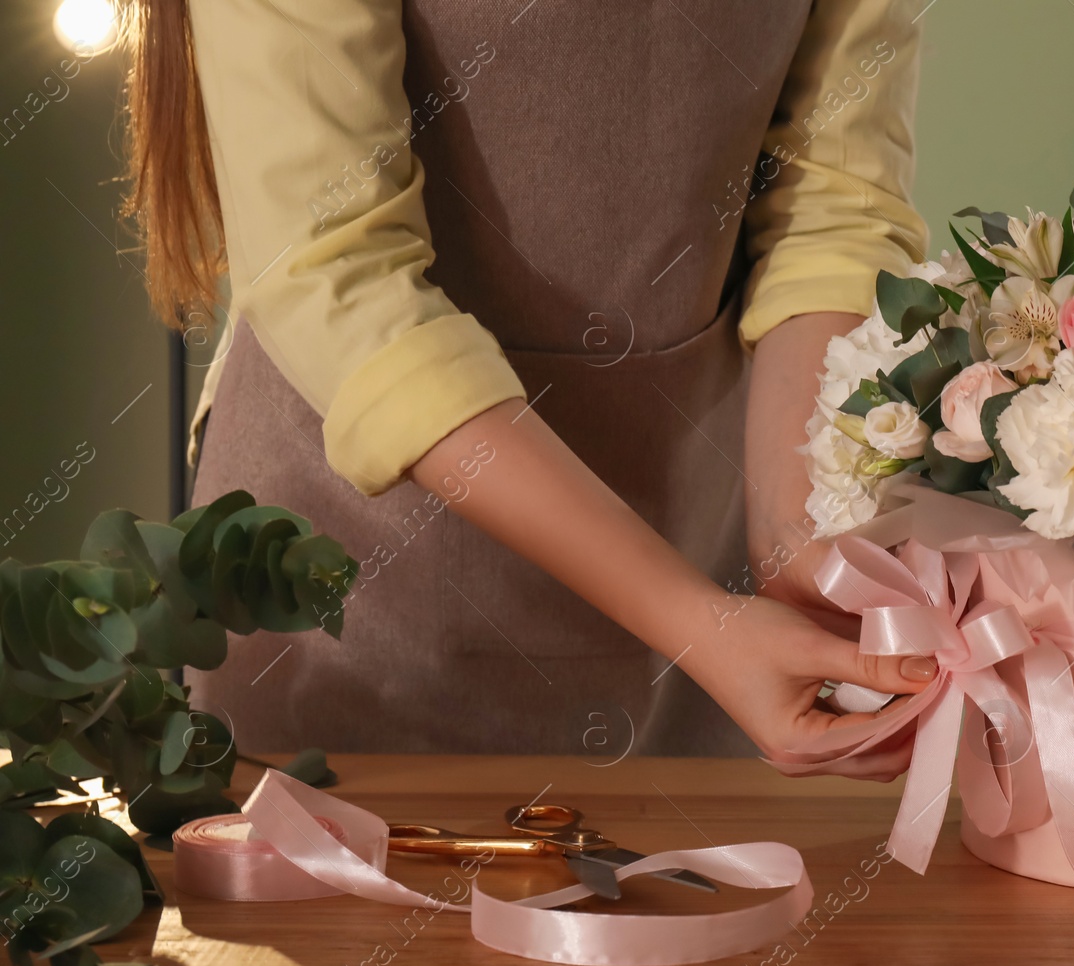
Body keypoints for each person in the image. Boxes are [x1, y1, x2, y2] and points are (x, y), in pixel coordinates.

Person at [119, 0, 934, 778]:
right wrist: (698, 623)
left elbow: (836, 208)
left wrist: (799, 546)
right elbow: (343, 278)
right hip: (349, 592)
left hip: (703, 553)